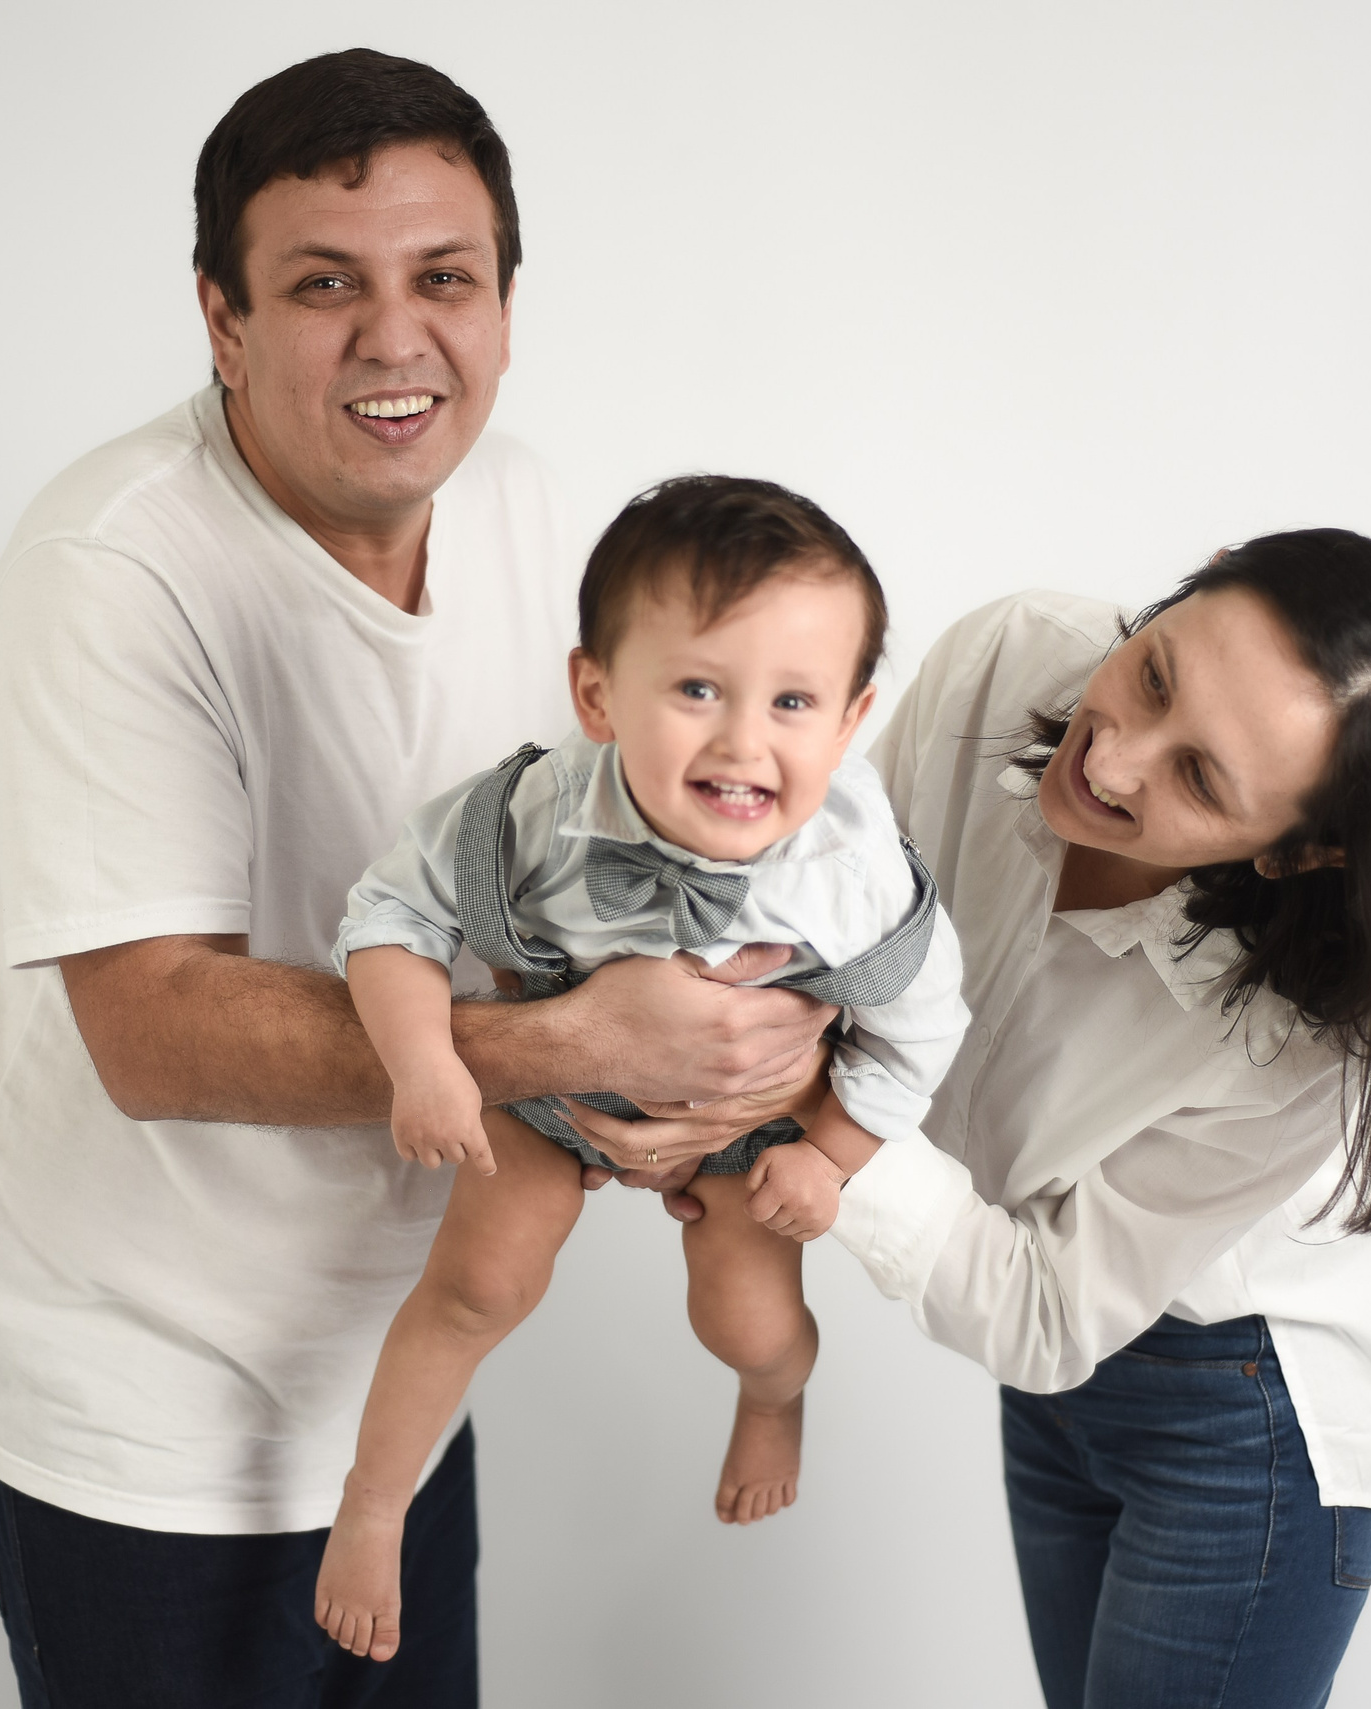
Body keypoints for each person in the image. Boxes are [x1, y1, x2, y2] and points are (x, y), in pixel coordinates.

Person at [0, 52, 831, 1709]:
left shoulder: (530, 501)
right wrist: (579, 1050)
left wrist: (729, 1059)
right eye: (325, 286)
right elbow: (157, 1031)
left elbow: (604, 860)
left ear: (502, 298)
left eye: (444, 280)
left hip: (395, 1377)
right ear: (223, 317)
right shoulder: (112, 571)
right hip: (148, 1417)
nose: (398, 340)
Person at [573, 530, 1371, 1708]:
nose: (1116, 759)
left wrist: (791, 1113)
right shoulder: (1012, 657)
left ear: (1301, 850)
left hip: (1242, 1414)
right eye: (1153, 673)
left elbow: (1043, 1310)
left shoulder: (1302, 1045)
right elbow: (842, 926)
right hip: (1055, 1366)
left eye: (1200, 778)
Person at [311, 477, 969, 1662]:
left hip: (750, 1113)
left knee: (747, 1314)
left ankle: (774, 1397)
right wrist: (427, 1063)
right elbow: (389, 910)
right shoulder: (526, 813)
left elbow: (923, 1019)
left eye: (793, 701)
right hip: (550, 1083)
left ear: (852, 717)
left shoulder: (852, 869)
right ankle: (372, 1499)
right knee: (479, 1283)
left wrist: (833, 1151)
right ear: (596, 692)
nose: (742, 741)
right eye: (698, 688)